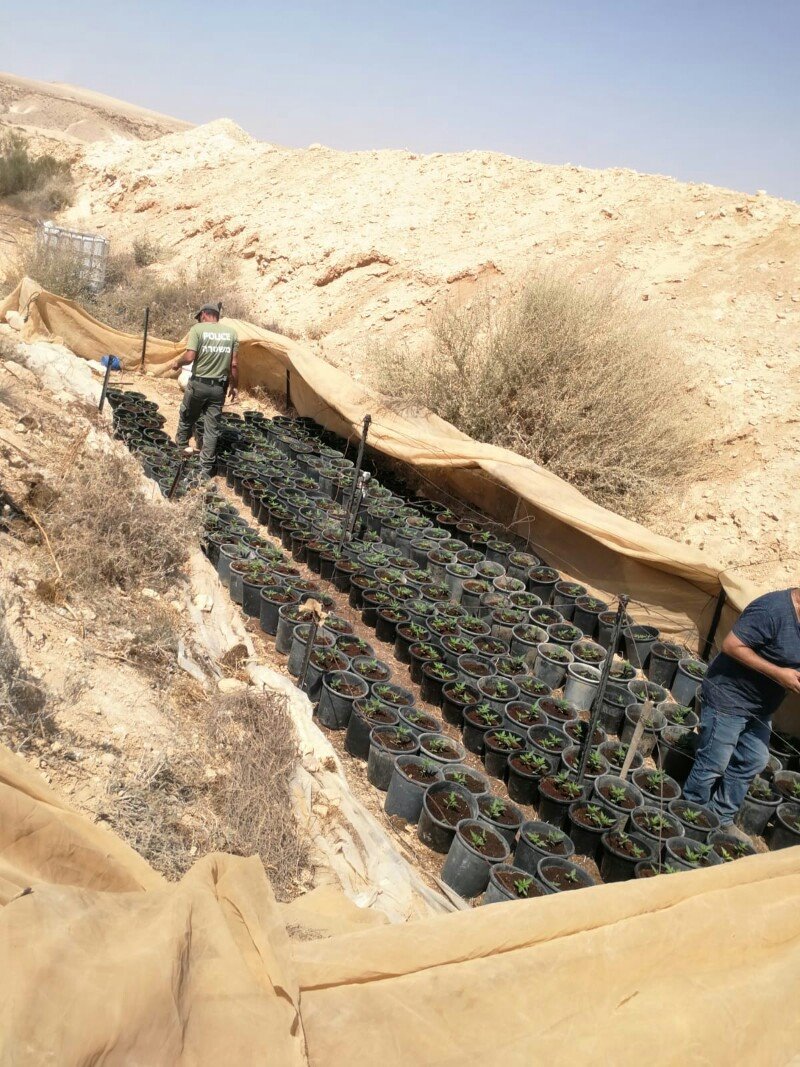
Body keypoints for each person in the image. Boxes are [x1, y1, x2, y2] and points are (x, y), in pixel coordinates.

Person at [682, 587, 800, 832]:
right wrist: (780, 674)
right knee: (713, 763)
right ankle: (691, 817)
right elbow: (732, 645)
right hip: (729, 696)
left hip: (760, 705)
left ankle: (721, 817)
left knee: (753, 759)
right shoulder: (771, 610)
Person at [170, 303, 239, 478]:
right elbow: (234, 364)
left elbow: (190, 356)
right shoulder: (231, 333)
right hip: (218, 388)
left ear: (204, 315)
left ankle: (181, 451)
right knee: (212, 427)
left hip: (199, 384)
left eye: (200, 317)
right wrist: (235, 385)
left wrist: (177, 362)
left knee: (187, 416)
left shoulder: (198, 329)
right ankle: (206, 468)